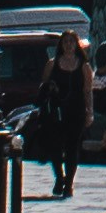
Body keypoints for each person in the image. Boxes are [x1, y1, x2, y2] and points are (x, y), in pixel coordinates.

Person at [35, 27, 95, 199]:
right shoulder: (52, 64)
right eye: (66, 42)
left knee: (72, 147)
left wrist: (89, 112)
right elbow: (44, 85)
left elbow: (87, 90)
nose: (69, 45)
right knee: (55, 146)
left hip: (76, 110)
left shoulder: (84, 66)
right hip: (56, 110)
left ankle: (68, 183)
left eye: (72, 42)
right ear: (61, 44)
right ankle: (59, 177)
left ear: (77, 45)